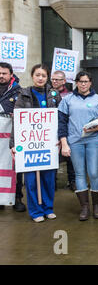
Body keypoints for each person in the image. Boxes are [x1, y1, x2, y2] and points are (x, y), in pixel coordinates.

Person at [10, 64, 61, 222]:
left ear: (47, 78)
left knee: (48, 178)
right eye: (37, 75)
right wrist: (13, 144)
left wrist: (60, 138)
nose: (40, 78)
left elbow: (61, 119)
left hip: (49, 143)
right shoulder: (23, 94)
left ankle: (48, 208)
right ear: (32, 76)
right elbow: (16, 121)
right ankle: (36, 211)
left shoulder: (54, 95)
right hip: (29, 144)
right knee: (31, 179)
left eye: (43, 76)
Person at [58, 71, 98, 221]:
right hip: (75, 141)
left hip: (94, 140)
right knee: (79, 174)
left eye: (86, 81)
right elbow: (61, 123)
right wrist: (64, 143)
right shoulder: (67, 100)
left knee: (94, 172)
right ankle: (85, 207)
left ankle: (97, 206)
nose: (83, 84)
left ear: (90, 83)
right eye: (80, 81)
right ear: (76, 82)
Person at [0, 62, 26, 212]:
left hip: (12, 136)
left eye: (4, 73)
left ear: (11, 75)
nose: (1, 76)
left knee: (15, 167)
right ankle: (1, 198)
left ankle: (17, 198)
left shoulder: (19, 92)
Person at [51, 70, 76, 191]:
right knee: (53, 157)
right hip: (50, 130)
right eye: (53, 79)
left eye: (58, 79)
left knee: (70, 157)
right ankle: (52, 182)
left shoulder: (71, 95)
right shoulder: (48, 93)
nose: (55, 81)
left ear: (64, 81)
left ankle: (72, 181)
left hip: (68, 129)